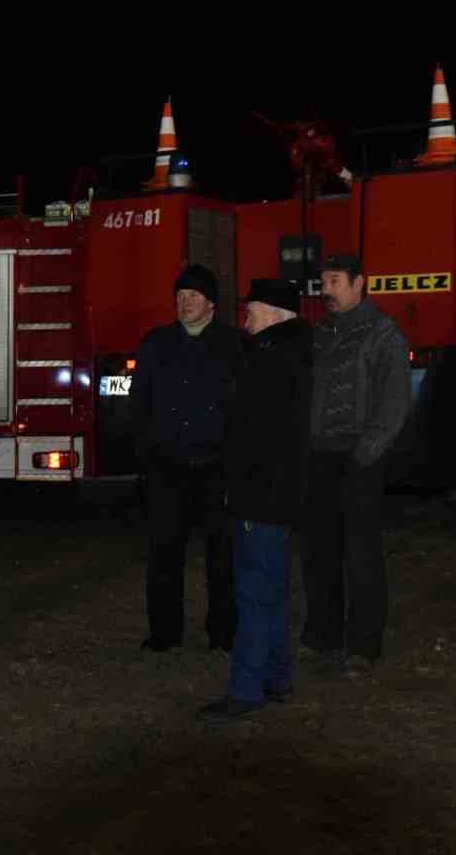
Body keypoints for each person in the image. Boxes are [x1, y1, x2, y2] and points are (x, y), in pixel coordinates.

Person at [199, 278, 314, 723]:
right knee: (272, 590)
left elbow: (249, 431)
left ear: (273, 312)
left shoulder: (270, 359)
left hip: (259, 495)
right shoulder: (291, 353)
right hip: (276, 494)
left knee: (253, 594)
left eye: (252, 309)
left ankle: (246, 689)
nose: (245, 318)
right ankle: (276, 677)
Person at [129, 263, 247, 654]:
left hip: (217, 468)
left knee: (222, 556)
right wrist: (147, 457)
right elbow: (139, 405)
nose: (185, 303)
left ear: (211, 303)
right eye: (180, 296)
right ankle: (164, 632)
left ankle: (224, 633)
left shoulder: (234, 345)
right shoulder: (155, 344)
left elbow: (246, 409)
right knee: (164, 555)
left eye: (193, 296)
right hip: (167, 468)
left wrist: (237, 461)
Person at [303, 253, 411, 677]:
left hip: (358, 459)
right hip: (320, 457)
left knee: (360, 554)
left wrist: (366, 453)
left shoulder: (384, 334)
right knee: (320, 552)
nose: (326, 291)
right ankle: (323, 636)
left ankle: (363, 645)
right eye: (323, 283)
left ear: (358, 283)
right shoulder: (321, 333)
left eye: (334, 281)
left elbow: (394, 401)